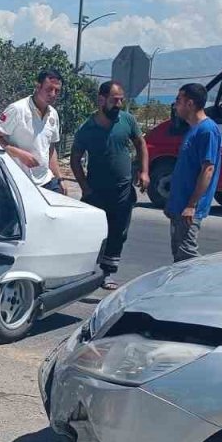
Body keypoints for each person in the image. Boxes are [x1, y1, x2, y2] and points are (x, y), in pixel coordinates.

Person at [70, 80, 148, 289]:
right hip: (96, 191)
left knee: (118, 233)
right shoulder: (87, 128)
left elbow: (141, 144)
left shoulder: (127, 120)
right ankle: (85, 272)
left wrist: (144, 171)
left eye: (121, 99)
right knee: (94, 233)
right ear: (101, 99)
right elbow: (75, 159)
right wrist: (85, 188)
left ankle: (107, 273)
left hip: (122, 190)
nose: (119, 104)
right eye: (115, 100)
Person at [165, 82, 222, 262]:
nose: (175, 105)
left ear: (190, 104)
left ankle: (208, 285)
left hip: (189, 207)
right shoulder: (192, 130)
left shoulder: (207, 131)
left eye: (178, 100)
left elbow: (208, 169)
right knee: (179, 253)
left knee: (187, 255)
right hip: (179, 204)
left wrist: (191, 205)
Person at [0, 69, 64, 193]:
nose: (52, 94)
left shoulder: (53, 114)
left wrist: (59, 179)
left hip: (46, 181)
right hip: (16, 181)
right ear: (38, 86)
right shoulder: (17, 109)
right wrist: (19, 153)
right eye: (49, 89)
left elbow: (51, 149)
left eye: (57, 91)